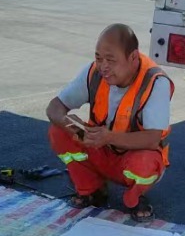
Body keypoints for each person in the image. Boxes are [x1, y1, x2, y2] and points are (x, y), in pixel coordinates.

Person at [46, 24, 174, 221]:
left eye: (111, 60)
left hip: (132, 159)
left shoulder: (156, 82)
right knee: (58, 132)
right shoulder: (93, 72)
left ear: (133, 58)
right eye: (99, 58)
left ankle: (135, 198)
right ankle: (91, 190)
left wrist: (109, 138)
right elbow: (54, 107)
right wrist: (67, 122)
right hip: (101, 150)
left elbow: (152, 139)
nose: (103, 66)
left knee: (145, 163)